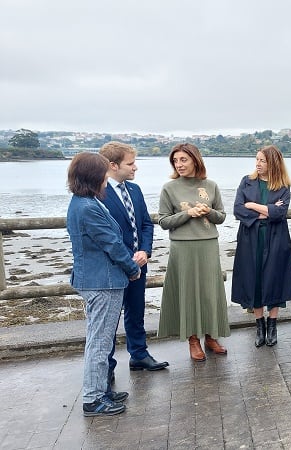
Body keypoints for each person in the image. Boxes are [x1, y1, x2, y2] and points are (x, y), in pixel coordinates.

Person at [66, 152, 141, 416]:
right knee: (100, 341)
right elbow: (112, 244)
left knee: (99, 338)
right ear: (94, 177)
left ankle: (100, 390)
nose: (107, 181)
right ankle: (93, 398)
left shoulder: (83, 202)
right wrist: (133, 269)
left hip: (96, 279)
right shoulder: (88, 208)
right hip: (103, 282)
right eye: (103, 176)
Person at [99, 142, 168, 383]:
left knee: (136, 311)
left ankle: (138, 355)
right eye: (130, 163)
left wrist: (144, 251)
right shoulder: (98, 194)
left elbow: (146, 224)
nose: (135, 167)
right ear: (112, 165)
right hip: (113, 267)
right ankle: (105, 365)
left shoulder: (135, 190)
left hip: (139, 264)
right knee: (108, 320)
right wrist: (125, 257)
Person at [157, 143, 230, 361]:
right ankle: (192, 340)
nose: (179, 164)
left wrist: (209, 211)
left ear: (195, 160)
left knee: (209, 292)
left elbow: (222, 216)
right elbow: (163, 221)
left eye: (183, 160)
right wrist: (188, 213)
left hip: (208, 244)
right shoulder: (169, 188)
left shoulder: (211, 185)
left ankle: (210, 336)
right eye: (175, 161)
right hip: (183, 247)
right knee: (188, 293)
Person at [232, 145, 291, 347]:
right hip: (250, 238)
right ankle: (259, 325)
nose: (258, 164)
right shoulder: (247, 181)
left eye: (262, 160)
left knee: (274, 278)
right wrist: (265, 211)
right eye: (257, 159)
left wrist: (252, 205)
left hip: (276, 238)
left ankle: (272, 325)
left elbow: (279, 214)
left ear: (273, 163)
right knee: (254, 280)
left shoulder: (283, 186)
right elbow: (237, 210)